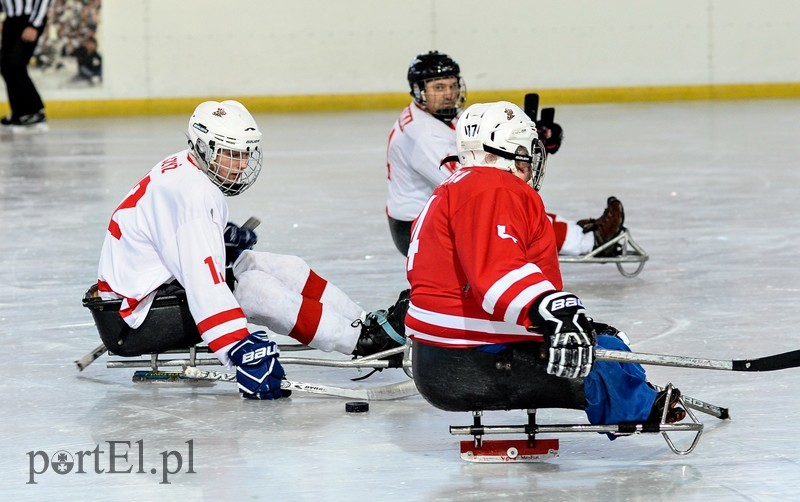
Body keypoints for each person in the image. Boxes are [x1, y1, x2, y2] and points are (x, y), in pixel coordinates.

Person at [95, 100, 405, 400]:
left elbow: (171, 240)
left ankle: (366, 325)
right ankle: (360, 343)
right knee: (257, 290)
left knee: (286, 267)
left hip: (149, 288)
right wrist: (238, 350)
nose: (242, 164)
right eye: (231, 154)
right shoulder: (193, 196)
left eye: (245, 154)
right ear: (204, 147)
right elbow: (205, 286)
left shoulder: (188, 167)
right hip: (135, 316)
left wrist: (221, 241)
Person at [405, 101, 685, 426]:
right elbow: (497, 272)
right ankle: (639, 408)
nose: (531, 161)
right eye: (525, 151)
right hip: (467, 358)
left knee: (595, 340)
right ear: (504, 153)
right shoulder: (492, 188)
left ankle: (635, 395)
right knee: (607, 353)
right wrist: (554, 313)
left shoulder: (461, 185)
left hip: (441, 353)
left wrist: (551, 316)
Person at [385, 50, 623, 257]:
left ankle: (577, 234)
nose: (448, 93)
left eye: (452, 85)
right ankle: (589, 241)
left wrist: (527, 138)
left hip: (432, 216)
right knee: (506, 205)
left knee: (506, 199)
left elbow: (481, 146)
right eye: (438, 87)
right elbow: (469, 184)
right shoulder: (422, 134)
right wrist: (519, 158)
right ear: (419, 91)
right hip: (420, 230)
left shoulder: (440, 115)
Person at [0, 0, 52, 132]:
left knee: (15, 65)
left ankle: (35, 111)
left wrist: (34, 24)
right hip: (11, 20)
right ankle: (19, 113)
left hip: (29, 20)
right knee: (6, 66)